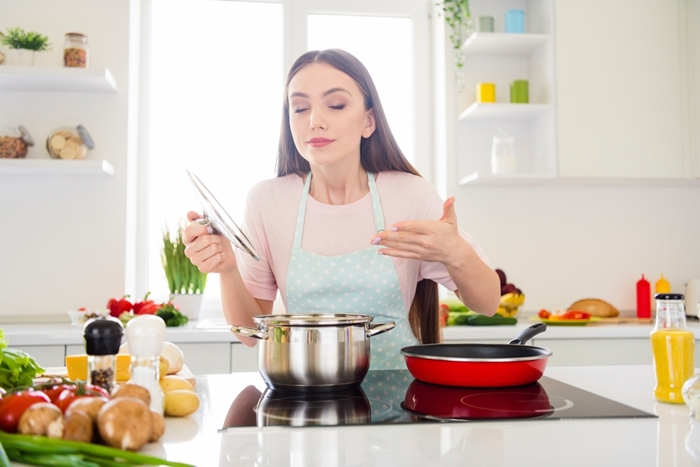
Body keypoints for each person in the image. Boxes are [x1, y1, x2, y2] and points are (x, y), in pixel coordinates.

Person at [183, 49, 500, 369]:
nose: (315, 121)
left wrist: (456, 253)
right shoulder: (268, 201)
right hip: (304, 395)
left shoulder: (409, 195)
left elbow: (488, 303)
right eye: (300, 108)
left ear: (368, 121)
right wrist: (226, 270)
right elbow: (251, 333)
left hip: (398, 398)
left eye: (335, 105)